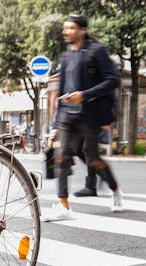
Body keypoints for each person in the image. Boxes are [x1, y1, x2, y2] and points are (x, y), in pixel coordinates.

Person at [45, 14, 123, 221]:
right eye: (65, 28)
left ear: (82, 30)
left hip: (89, 115)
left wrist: (84, 95)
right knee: (61, 157)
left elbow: (112, 80)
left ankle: (115, 190)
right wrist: (55, 123)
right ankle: (64, 207)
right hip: (67, 117)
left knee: (92, 159)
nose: (65, 32)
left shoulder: (97, 51)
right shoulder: (65, 57)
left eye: (70, 28)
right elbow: (62, 90)